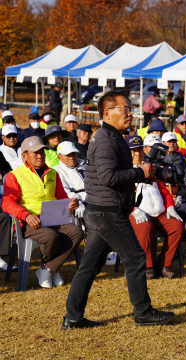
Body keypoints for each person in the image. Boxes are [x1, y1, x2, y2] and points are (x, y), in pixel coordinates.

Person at [64, 91, 174, 330]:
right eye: (124, 109)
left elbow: (113, 176)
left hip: (101, 210)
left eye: (130, 109)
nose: (130, 113)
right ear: (107, 112)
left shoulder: (113, 137)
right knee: (136, 258)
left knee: (90, 267)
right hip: (107, 211)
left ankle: (72, 318)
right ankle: (143, 313)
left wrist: (143, 175)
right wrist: (139, 173)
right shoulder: (106, 139)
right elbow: (108, 177)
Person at [2, 136, 83, 288]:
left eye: (42, 152)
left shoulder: (53, 173)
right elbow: (7, 202)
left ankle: (49, 268)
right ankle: (52, 268)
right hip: (28, 222)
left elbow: (62, 197)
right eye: (35, 153)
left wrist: (71, 204)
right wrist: (26, 215)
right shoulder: (15, 176)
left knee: (77, 232)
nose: (40, 155)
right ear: (24, 155)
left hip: (53, 219)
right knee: (50, 236)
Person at [130, 134, 185, 279]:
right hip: (137, 213)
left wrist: (170, 207)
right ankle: (147, 266)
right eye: (133, 151)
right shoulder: (125, 171)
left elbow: (164, 192)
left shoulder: (151, 168)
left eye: (139, 150)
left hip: (160, 213)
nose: (137, 153)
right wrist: (133, 209)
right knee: (145, 227)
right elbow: (121, 196)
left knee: (177, 226)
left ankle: (163, 264)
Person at [53, 142, 86, 219]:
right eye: (67, 155)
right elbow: (65, 192)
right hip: (77, 204)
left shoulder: (86, 166)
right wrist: (78, 203)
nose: (71, 157)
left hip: (94, 201)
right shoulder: (57, 170)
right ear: (59, 157)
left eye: (73, 154)